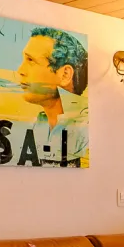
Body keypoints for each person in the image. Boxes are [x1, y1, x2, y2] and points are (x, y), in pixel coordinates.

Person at [15, 26, 88, 165]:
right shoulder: (37, 125)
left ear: (65, 74)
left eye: (31, 60)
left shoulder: (85, 133)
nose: (20, 70)